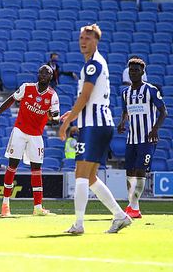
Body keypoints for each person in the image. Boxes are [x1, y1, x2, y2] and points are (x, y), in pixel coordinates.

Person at [59, 24, 132, 234]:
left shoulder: (93, 65)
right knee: (89, 177)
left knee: (81, 174)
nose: (83, 41)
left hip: (94, 125)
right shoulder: (96, 63)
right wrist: (72, 114)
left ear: (96, 41)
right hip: (97, 123)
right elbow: (89, 100)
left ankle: (79, 225)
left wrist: (67, 123)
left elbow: (85, 97)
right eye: (81, 38)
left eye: (88, 38)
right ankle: (119, 215)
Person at [0, 65, 59, 217]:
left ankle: (38, 208)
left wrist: (55, 119)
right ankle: (5, 205)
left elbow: (54, 118)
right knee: (12, 166)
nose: (43, 74)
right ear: (37, 74)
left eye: (47, 72)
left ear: (51, 77)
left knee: (36, 170)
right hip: (19, 132)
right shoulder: (26, 88)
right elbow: (11, 100)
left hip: (36, 136)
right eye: (41, 72)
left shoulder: (53, 96)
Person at [117, 57, 168, 219]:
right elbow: (126, 111)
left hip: (147, 139)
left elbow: (163, 112)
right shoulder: (125, 93)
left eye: (136, 70)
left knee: (140, 171)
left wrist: (155, 129)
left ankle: (133, 206)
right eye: (131, 70)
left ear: (143, 72)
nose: (133, 72)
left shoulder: (151, 90)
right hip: (131, 139)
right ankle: (134, 207)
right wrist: (122, 122)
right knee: (129, 172)